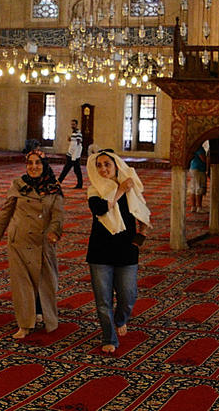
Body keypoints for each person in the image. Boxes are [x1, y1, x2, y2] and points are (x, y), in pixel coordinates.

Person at [0, 148, 64, 339]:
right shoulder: (18, 184)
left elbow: (57, 214)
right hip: (19, 241)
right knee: (22, 285)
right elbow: (6, 211)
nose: (33, 167)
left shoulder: (54, 188)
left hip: (43, 241)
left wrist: (55, 232)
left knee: (45, 282)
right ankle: (25, 324)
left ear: (44, 165)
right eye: (30, 163)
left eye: (37, 163)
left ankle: (44, 315)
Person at [85, 148, 148, 354]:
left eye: (107, 164)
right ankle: (109, 337)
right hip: (100, 252)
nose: (103, 169)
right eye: (99, 166)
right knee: (103, 300)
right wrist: (121, 189)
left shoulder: (129, 188)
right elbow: (102, 208)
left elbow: (143, 213)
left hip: (126, 250)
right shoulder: (94, 190)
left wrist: (140, 239)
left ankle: (121, 319)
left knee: (128, 295)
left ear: (116, 166)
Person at [58, 120, 85, 189]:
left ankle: (59, 182)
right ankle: (59, 181)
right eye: (71, 124)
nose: (72, 126)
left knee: (70, 169)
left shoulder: (78, 133)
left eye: (73, 124)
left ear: (76, 125)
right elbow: (74, 142)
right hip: (71, 154)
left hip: (74, 155)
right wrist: (70, 139)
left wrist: (74, 156)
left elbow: (78, 144)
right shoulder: (74, 133)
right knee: (72, 169)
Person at [187, 144, 207, 213]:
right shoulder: (199, 148)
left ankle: (193, 206)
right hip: (199, 169)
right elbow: (203, 159)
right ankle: (199, 207)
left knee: (193, 188)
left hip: (193, 168)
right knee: (199, 188)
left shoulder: (194, 146)